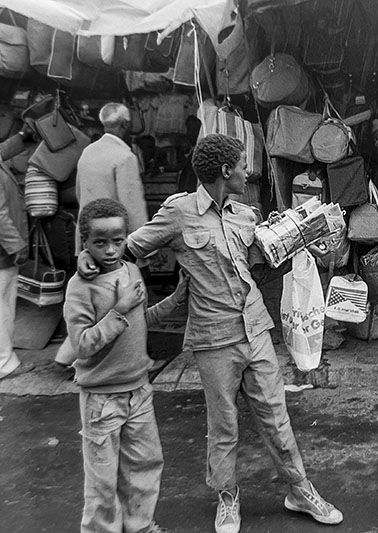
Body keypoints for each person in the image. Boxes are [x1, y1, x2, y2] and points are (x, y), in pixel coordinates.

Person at [78, 134, 342, 533]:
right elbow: (126, 249)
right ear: (225, 171)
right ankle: (227, 497)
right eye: (241, 164)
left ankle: (300, 489)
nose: (246, 170)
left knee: (276, 417)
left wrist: (297, 242)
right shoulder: (178, 213)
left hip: (255, 330)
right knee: (224, 425)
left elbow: (258, 270)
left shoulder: (247, 215)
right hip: (213, 338)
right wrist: (86, 257)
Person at [65, 198, 186, 533]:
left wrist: (174, 301)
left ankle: (140, 525)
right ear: (84, 244)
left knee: (145, 466)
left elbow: (139, 321)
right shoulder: (79, 287)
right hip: (101, 399)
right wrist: (118, 308)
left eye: (118, 241)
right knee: (102, 482)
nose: (110, 250)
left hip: (139, 390)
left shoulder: (132, 270)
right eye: (99, 243)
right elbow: (83, 344)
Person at [76, 103, 148, 243]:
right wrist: (143, 245)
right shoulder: (125, 157)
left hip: (88, 233)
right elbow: (133, 206)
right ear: (125, 124)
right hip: (113, 238)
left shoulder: (88, 151)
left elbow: (80, 193)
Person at [0, 125, 33, 380]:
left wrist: (23, 135)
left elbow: (3, 150)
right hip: (2, 253)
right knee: (3, 308)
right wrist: (17, 245)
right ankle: (4, 364)